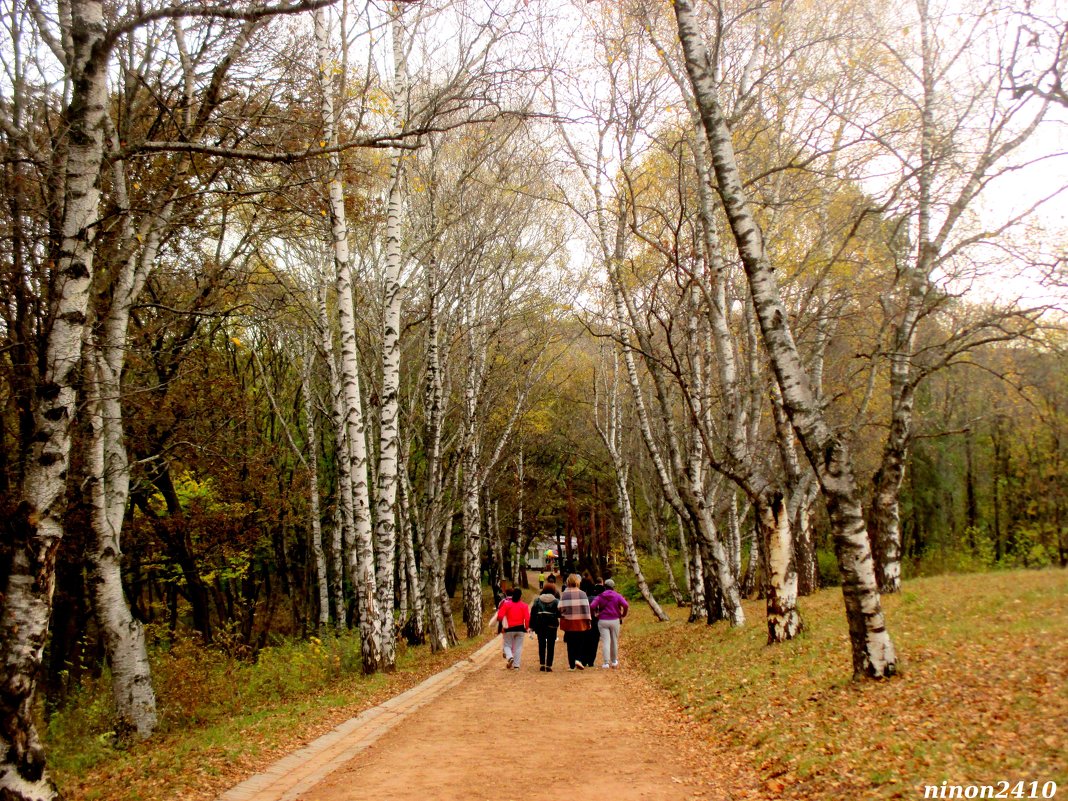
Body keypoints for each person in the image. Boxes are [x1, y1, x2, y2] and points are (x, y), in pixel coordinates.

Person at [589, 578, 629, 669]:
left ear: (605, 587)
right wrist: (623, 614)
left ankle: (606, 663)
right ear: (613, 587)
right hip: (615, 620)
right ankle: (614, 661)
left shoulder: (600, 596)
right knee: (614, 641)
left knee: (606, 641)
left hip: (603, 620)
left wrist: (594, 614)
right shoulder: (618, 596)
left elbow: (592, 606)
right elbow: (626, 605)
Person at [558, 573, 592, 670]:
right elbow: (586, 608)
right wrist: (588, 621)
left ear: (568, 582)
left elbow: (560, 608)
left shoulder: (565, 594)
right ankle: (578, 659)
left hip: (568, 622)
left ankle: (572, 665)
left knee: (570, 643)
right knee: (580, 642)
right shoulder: (582, 593)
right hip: (580, 622)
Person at [530, 577, 561, 671]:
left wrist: (531, 626)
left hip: (540, 625)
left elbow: (533, 614)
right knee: (551, 645)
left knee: (541, 644)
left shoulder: (537, 600)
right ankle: (549, 665)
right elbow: (559, 614)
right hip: (552, 625)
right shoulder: (556, 601)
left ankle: (542, 664)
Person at [499, 587, 529, 669]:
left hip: (509, 629)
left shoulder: (506, 604)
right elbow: (527, 618)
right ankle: (516, 665)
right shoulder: (524, 606)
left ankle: (509, 657)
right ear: (520, 596)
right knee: (518, 647)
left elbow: (500, 616)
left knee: (507, 645)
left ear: (512, 596)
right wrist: (526, 627)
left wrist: (502, 625)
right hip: (520, 629)